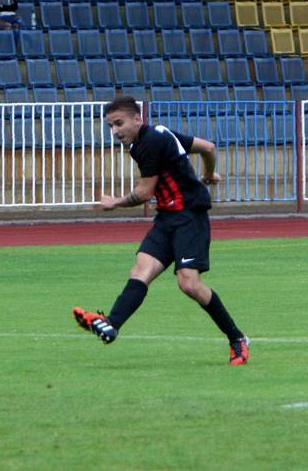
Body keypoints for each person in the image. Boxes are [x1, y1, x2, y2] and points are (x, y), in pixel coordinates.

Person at [72, 97, 249, 366]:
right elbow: (208, 148)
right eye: (110, 126)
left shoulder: (149, 143)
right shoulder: (160, 132)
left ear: (137, 119)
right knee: (141, 269)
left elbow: (144, 193)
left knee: (188, 283)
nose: (115, 131)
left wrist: (114, 202)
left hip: (189, 215)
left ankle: (237, 338)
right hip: (167, 217)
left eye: (119, 123)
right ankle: (111, 324)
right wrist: (209, 175)